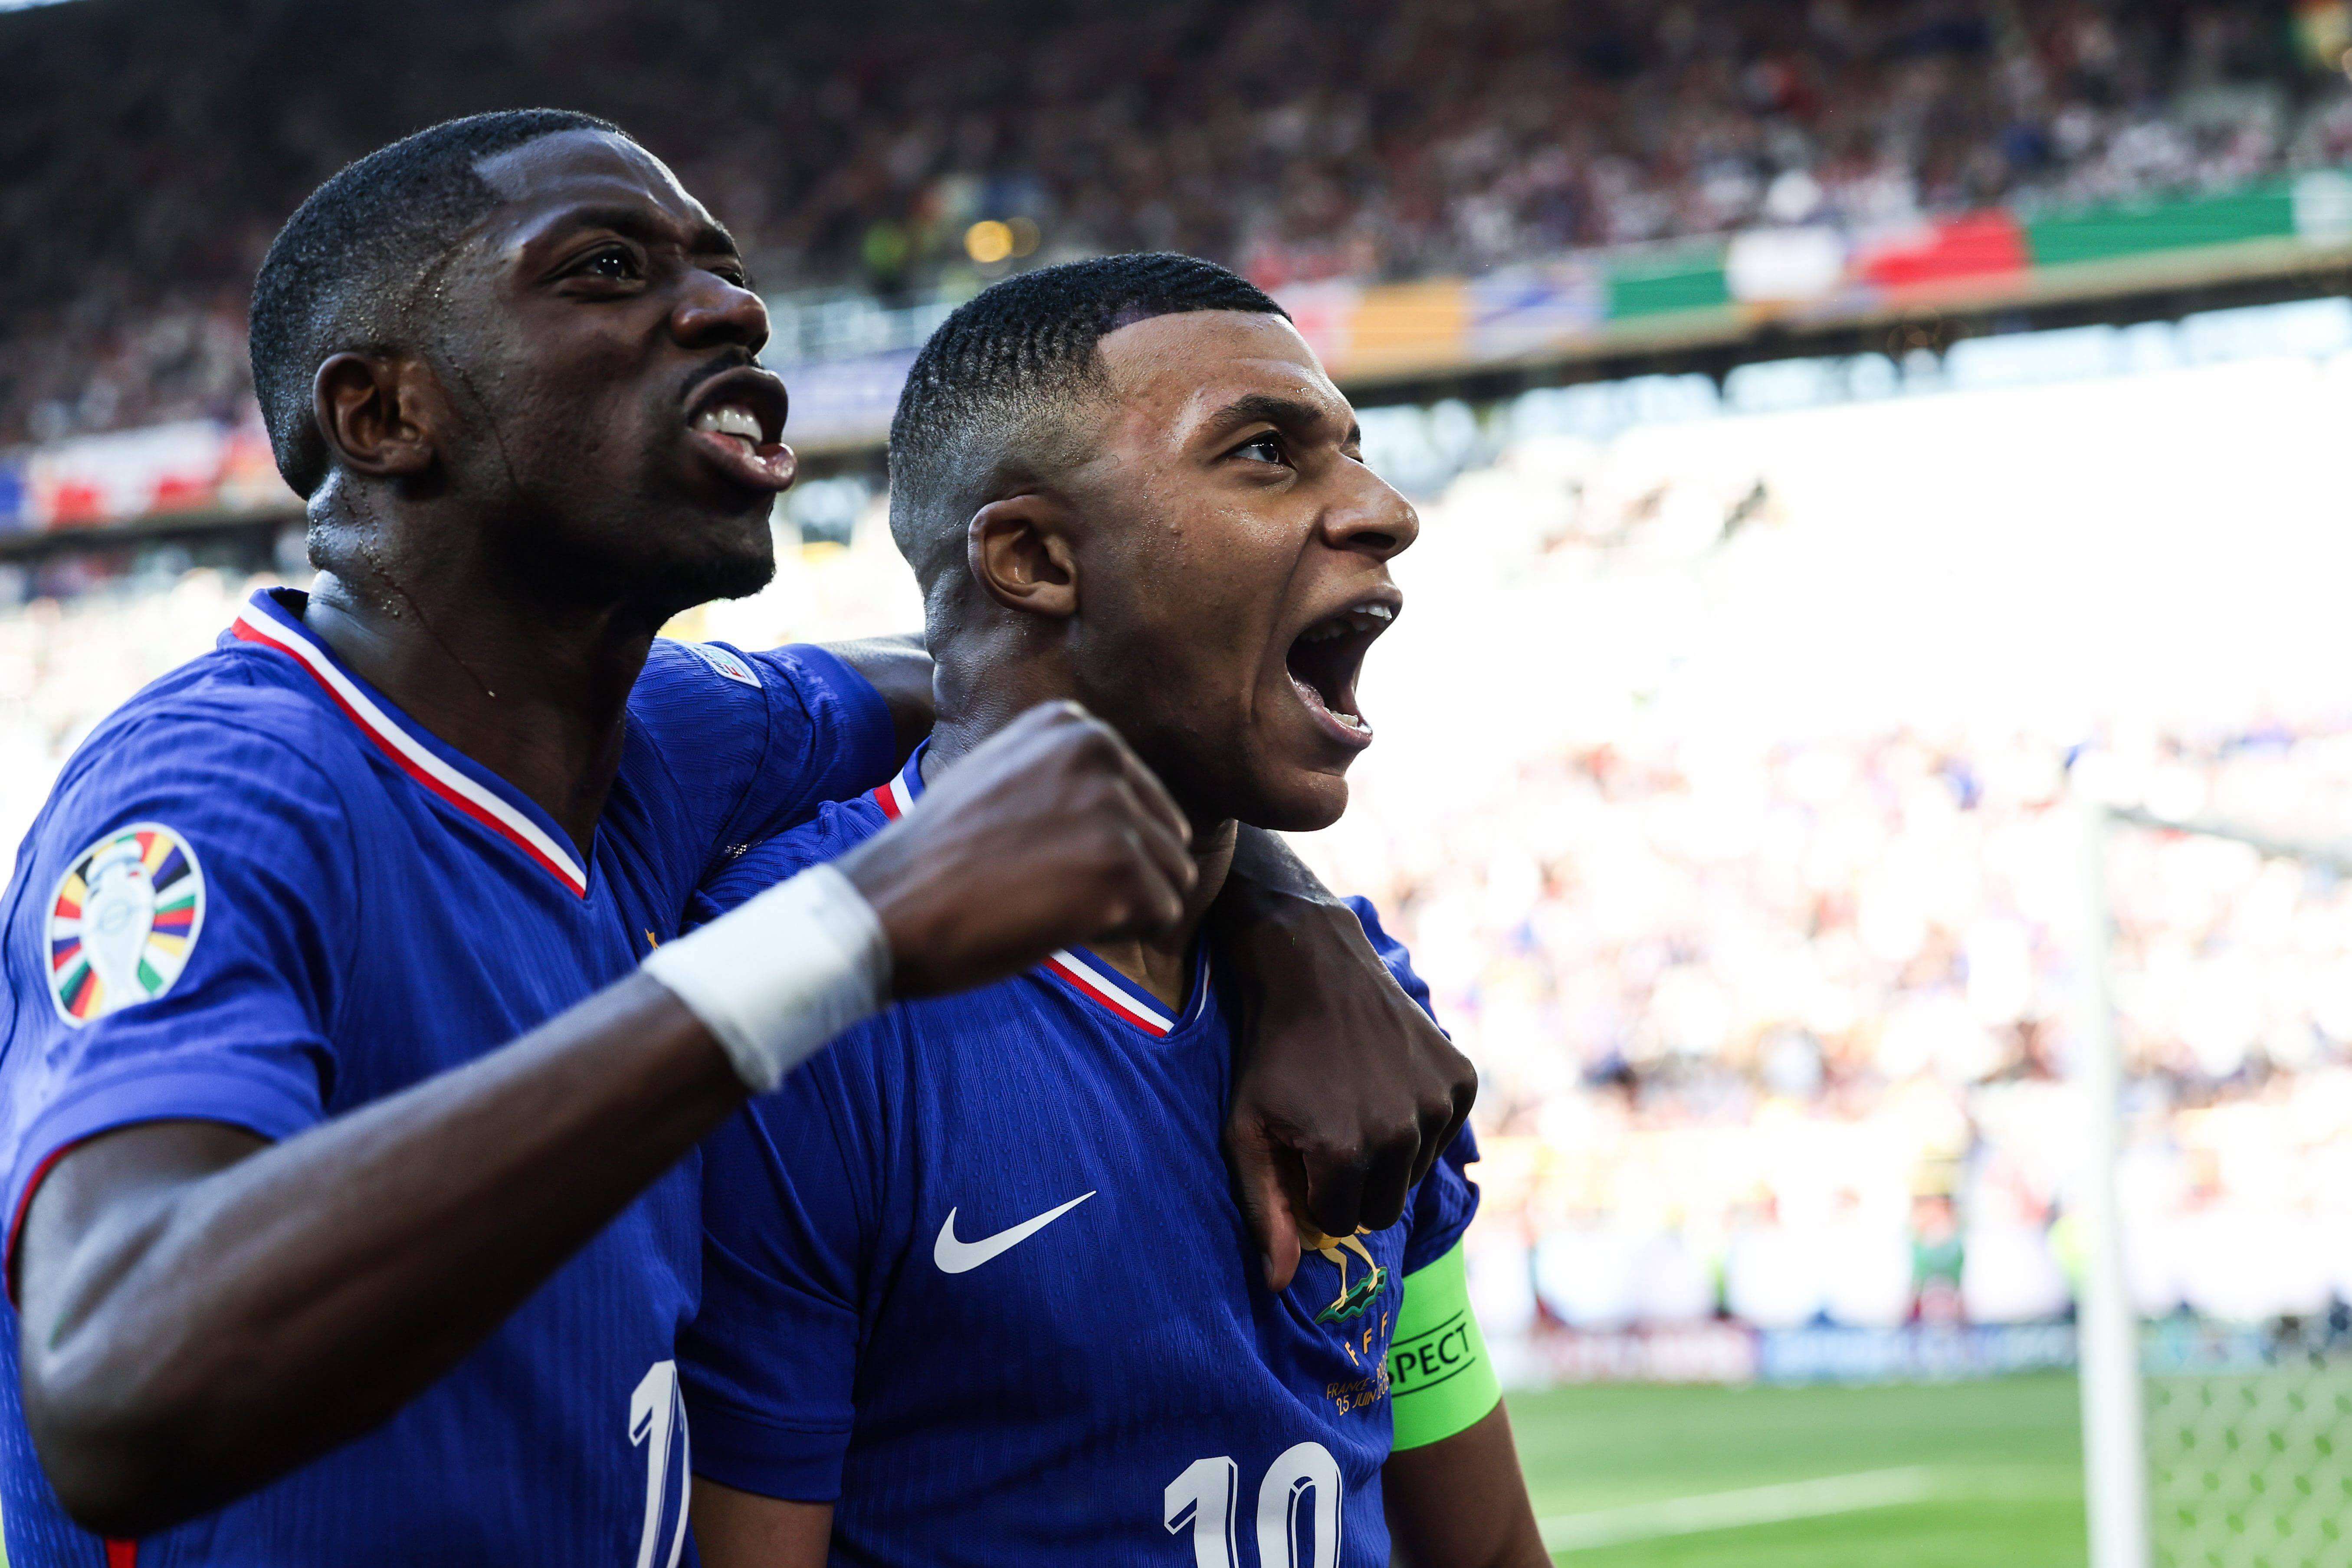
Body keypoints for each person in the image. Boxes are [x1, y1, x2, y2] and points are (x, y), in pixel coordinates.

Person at [0, 116, 1471, 1564]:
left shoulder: (666, 751)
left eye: (719, 265)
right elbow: (118, 1388)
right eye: (604, 270)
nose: (731, 306)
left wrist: (1289, 920)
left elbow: (1033, 677)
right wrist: (847, 936)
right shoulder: (222, 794)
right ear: (386, 417)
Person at [681, 256, 1546, 1568]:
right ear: (1033, 557)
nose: (1382, 509)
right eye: (1267, 454)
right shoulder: (799, 1003)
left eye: (1355, 452)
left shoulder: (1355, 988)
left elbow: (1474, 1546)